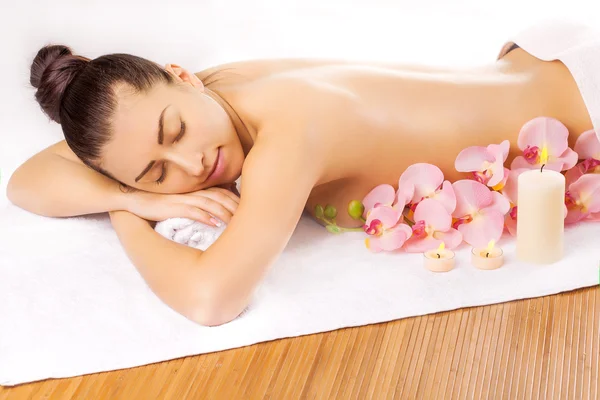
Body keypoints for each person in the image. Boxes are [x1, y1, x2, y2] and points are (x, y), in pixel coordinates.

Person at [6, 31, 594, 326]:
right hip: (546, 55)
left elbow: (210, 300)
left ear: (181, 75)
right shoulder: (219, 89)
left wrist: (130, 212)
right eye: (156, 172)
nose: (190, 167)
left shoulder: (287, 140)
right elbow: (25, 181)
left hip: (585, 99)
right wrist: (130, 193)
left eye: (175, 130)